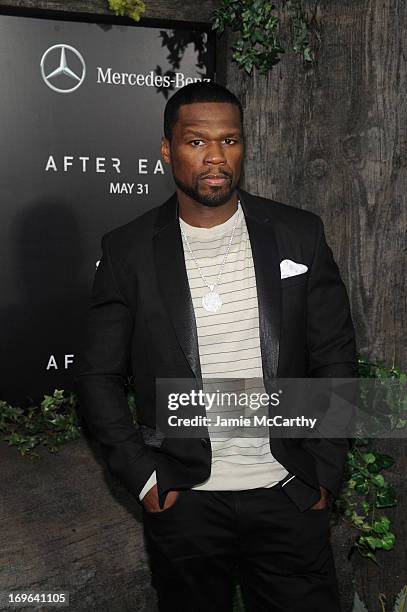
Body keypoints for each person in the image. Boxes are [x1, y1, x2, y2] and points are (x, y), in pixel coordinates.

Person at [75, 81, 357, 612]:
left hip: (287, 489)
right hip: (185, 501)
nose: (215, 157)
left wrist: (325, 468)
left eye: (229, 141)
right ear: (167, 149)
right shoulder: (127, 249)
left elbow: (335, 359)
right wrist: (141, 475)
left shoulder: (300, 234)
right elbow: (97, 377)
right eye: (196, 141)